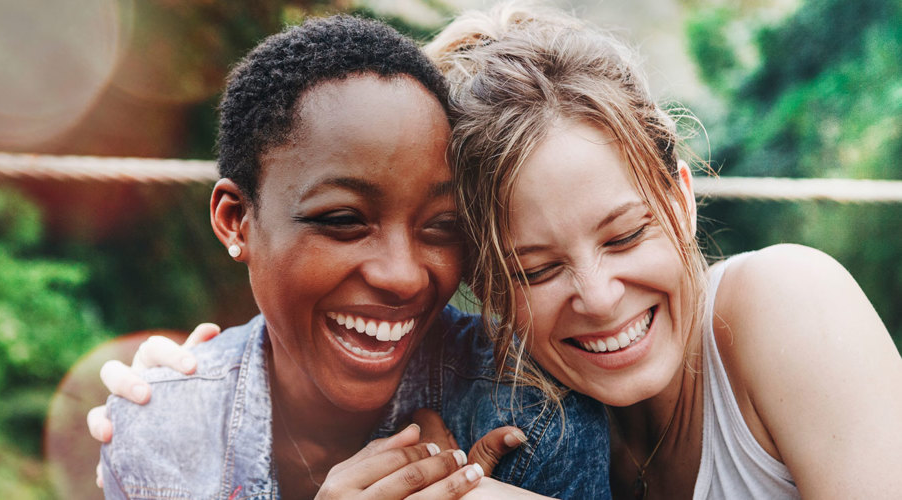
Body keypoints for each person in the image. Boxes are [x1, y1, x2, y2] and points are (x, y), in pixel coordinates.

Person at [94, 13, 610, 500]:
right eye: (344, 221)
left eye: (442, 226)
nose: (402, 276)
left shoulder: (534, 420)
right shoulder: (158, 434)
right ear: (237, 220)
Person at [425, 3, 902, 498]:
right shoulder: (522, 431)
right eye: (537, 270)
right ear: (487, 291)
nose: (600, 297)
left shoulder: (791, 299)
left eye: (625, 236)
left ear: (680, 199)